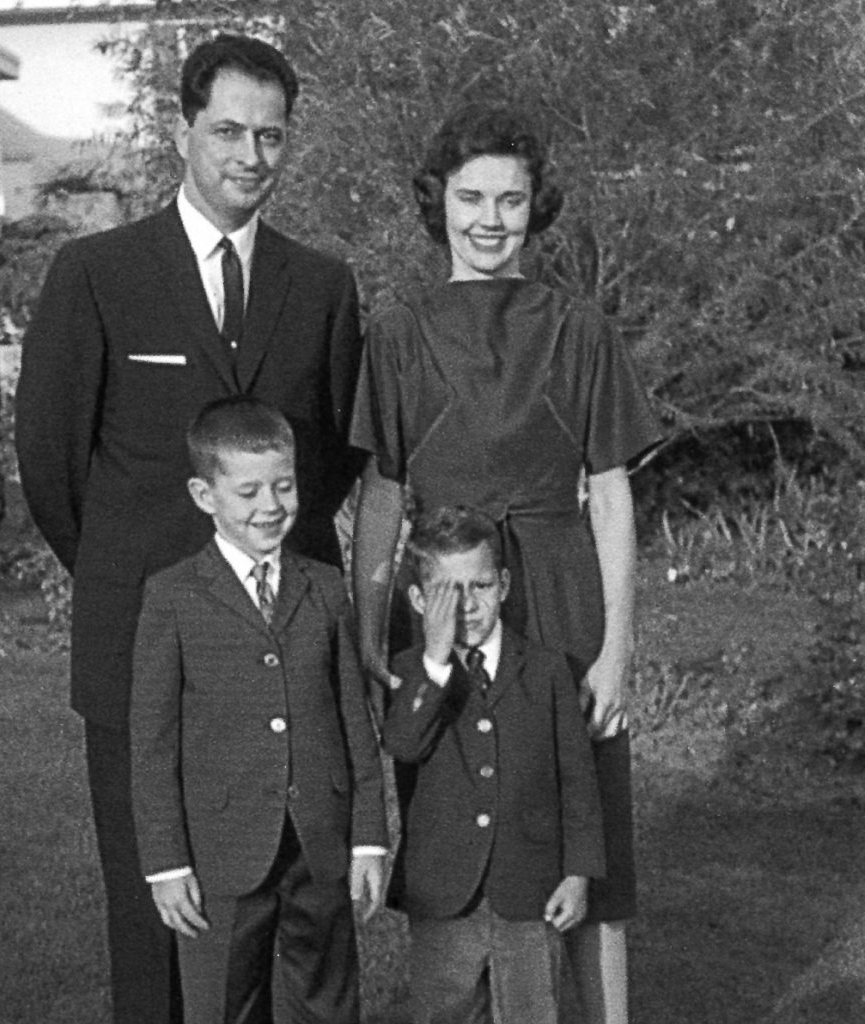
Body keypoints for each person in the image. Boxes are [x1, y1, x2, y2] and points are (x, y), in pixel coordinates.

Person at [14, 34, 363, 1024]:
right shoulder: (96, 275)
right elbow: (50, 461)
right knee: (155, 926)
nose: (249, 156)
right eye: (227, 132)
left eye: (270, 136)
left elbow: (333, 458)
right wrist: (136, 575)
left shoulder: (322, 285)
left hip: (283, 653)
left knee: (290, 923)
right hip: (139, 650)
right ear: (182, 130)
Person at [350, 104, 661, 1023]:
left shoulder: (579, 329)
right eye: (471, 197)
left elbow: (609, 492)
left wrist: (617, 650)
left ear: (538, 207)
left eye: (512, 200)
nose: (491, 219)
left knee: (588, 837)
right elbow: (380, 495)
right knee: (454, 832)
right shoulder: (399, 331)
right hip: (444, 601)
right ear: (437, 202)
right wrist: (375, 634)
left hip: (560, 598)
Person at [130, 396, 388, 1024]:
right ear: (203, 494)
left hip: (317, 843)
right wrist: (167, 863)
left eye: (283, 486)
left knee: (326, 1004)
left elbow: (354, 722)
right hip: (222, 851)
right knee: (221, 1006)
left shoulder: (323, 587)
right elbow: (152, 744)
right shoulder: (172, 597)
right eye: (248, 492)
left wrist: (369, 841)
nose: (270, 507)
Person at [383, 506, 605, 1024]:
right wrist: (435, 662)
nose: (467, 604)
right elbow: (403, 744)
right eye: (447, 592)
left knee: (532, 1011)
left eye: (480, 586)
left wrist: (579, 873)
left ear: (504, 585)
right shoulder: (411, 672)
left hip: (530, 887)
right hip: (443, 893)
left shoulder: (547, 670)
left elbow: (577, 781)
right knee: (446, 1012)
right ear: (418, 599)